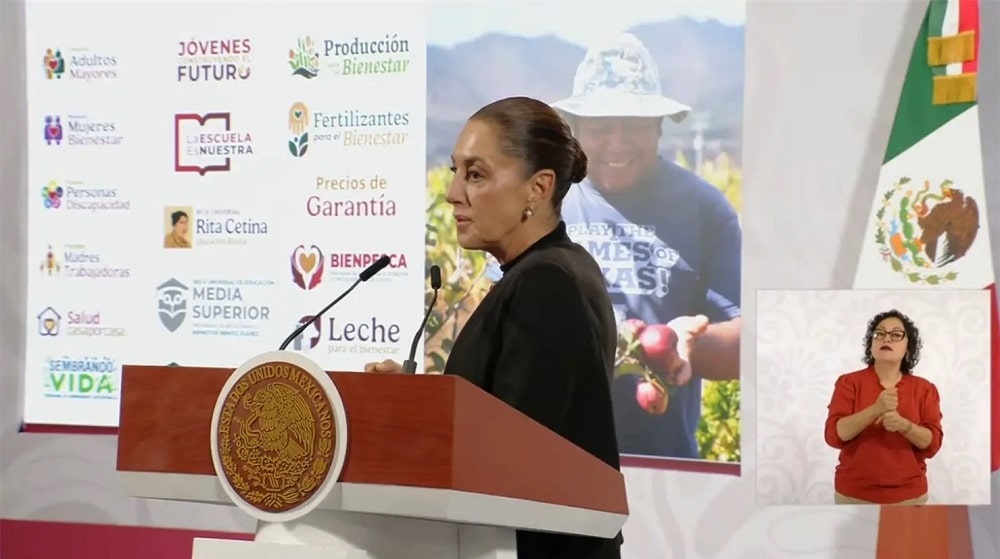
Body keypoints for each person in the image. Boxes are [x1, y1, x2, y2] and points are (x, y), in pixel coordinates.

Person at [366, 96, 623, 559]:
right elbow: (498, 420)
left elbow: (512, 454)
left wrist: (410, 423)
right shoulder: (554, 270)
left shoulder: (547, 283)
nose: (452, 193)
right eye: (455, 172)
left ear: (538, 188)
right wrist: (414, 404)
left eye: (476, 174)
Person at [551, 33, 742, 459]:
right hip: (554, 458)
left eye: (634, 126)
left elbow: (746, 338)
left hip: (665, 467)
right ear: (576, 130)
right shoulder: (546, 203)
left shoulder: (703, 209)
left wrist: (685, 346)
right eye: (600, 128)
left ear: (658, 127)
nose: (617, 143)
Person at [823, 309, 943, 505]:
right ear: (871, 345)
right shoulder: (848, 382)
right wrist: (875, 409)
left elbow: (932, 446)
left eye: (896, 335)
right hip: (853, 495)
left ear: (908, 349)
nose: (886, 338)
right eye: (879, 333)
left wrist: (905, 426)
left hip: (909, 496)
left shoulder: (925, 389)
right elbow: (834, 436)